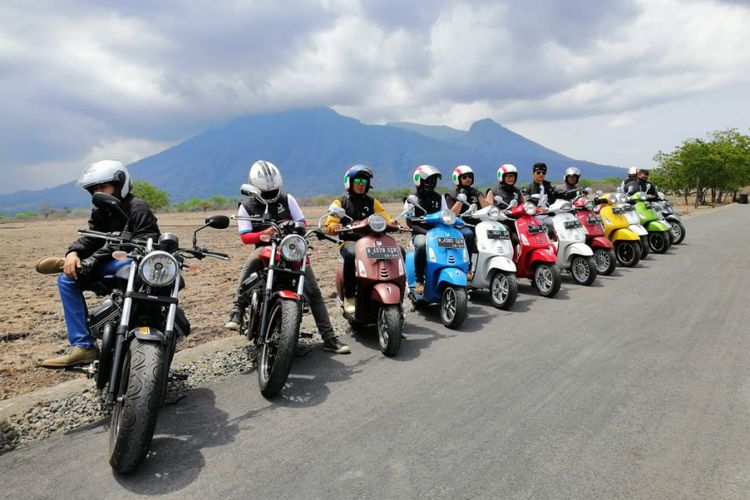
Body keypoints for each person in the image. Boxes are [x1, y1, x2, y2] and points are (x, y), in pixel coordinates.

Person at [38, 160, 161, 368]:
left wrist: (93, 260)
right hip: (109, 262)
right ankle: (84, 347)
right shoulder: (101, 211)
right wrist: (73, 253)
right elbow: (91, 238)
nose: (98, 193)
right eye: (94, 189)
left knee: (128, 263)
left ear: (120, 184)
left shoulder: (137, 207)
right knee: (66, 280)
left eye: (103, 187)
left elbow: (137, 242)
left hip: (133, 263)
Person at [224, 160, 350, 354]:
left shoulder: (287, 199)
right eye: (265, 193)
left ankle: (329, 338)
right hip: (265, 248)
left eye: (272, 191)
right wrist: (263, 234)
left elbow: (301, 220)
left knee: (314, 292)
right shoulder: (247, 206)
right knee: (251, 261)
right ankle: (237, 309)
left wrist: (298, 228)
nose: (270, 195)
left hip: (291, 248)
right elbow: (245, 236)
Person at [325, 165, 396, 315]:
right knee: (351, 254)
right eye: (357, 180)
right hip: (350, 242)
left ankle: (398, 288)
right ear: (349, 182)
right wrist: (334, 226)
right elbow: (330, 224)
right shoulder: (340, 203)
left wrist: (393, 222)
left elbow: (384, 215)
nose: (361, 183)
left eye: (365, 180)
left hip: (372, 241)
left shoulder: (372, 202)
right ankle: (350, 296)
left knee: (397, 250)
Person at [405, 165, 448, 295]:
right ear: (419, 180)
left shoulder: (439, 198)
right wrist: (427, 233)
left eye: (434, 180)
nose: (432, 183)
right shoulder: (412, 199)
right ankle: (420, 281)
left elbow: (445, 214)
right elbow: (410, 222)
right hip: (420, 233)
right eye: (429, 180)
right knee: (423, 245)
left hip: (438, 232)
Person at [445, 165, 488, 279]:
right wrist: (460, 199)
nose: (468, 179)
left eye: (470, 176)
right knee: (468, 234)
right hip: (460, 225)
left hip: (478, 224)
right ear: (457, 179)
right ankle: (468, 268)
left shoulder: (476, 192)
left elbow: (487, 209)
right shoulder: (451, 194)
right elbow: (452, 214)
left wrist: (479, 195)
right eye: (464, 177)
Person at [486, 163, 524, 247]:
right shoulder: (493, 191)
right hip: (500, 222)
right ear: (502, 177)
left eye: (513, 176)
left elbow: (523, 205)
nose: (511, 178)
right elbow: (488, 209)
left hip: (516, 222)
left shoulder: (517, 191)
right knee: (514, 238)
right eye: (508, 176)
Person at [524, 162, 557, 236]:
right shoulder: (528, 189)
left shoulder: (549, 187)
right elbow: (526, 204)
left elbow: (555, 200)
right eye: (538, 172)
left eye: (543, 172)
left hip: (548, 216)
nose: (541, 174)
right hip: (534, 218)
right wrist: (536, 209)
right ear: (533, 174)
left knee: (560, 224)